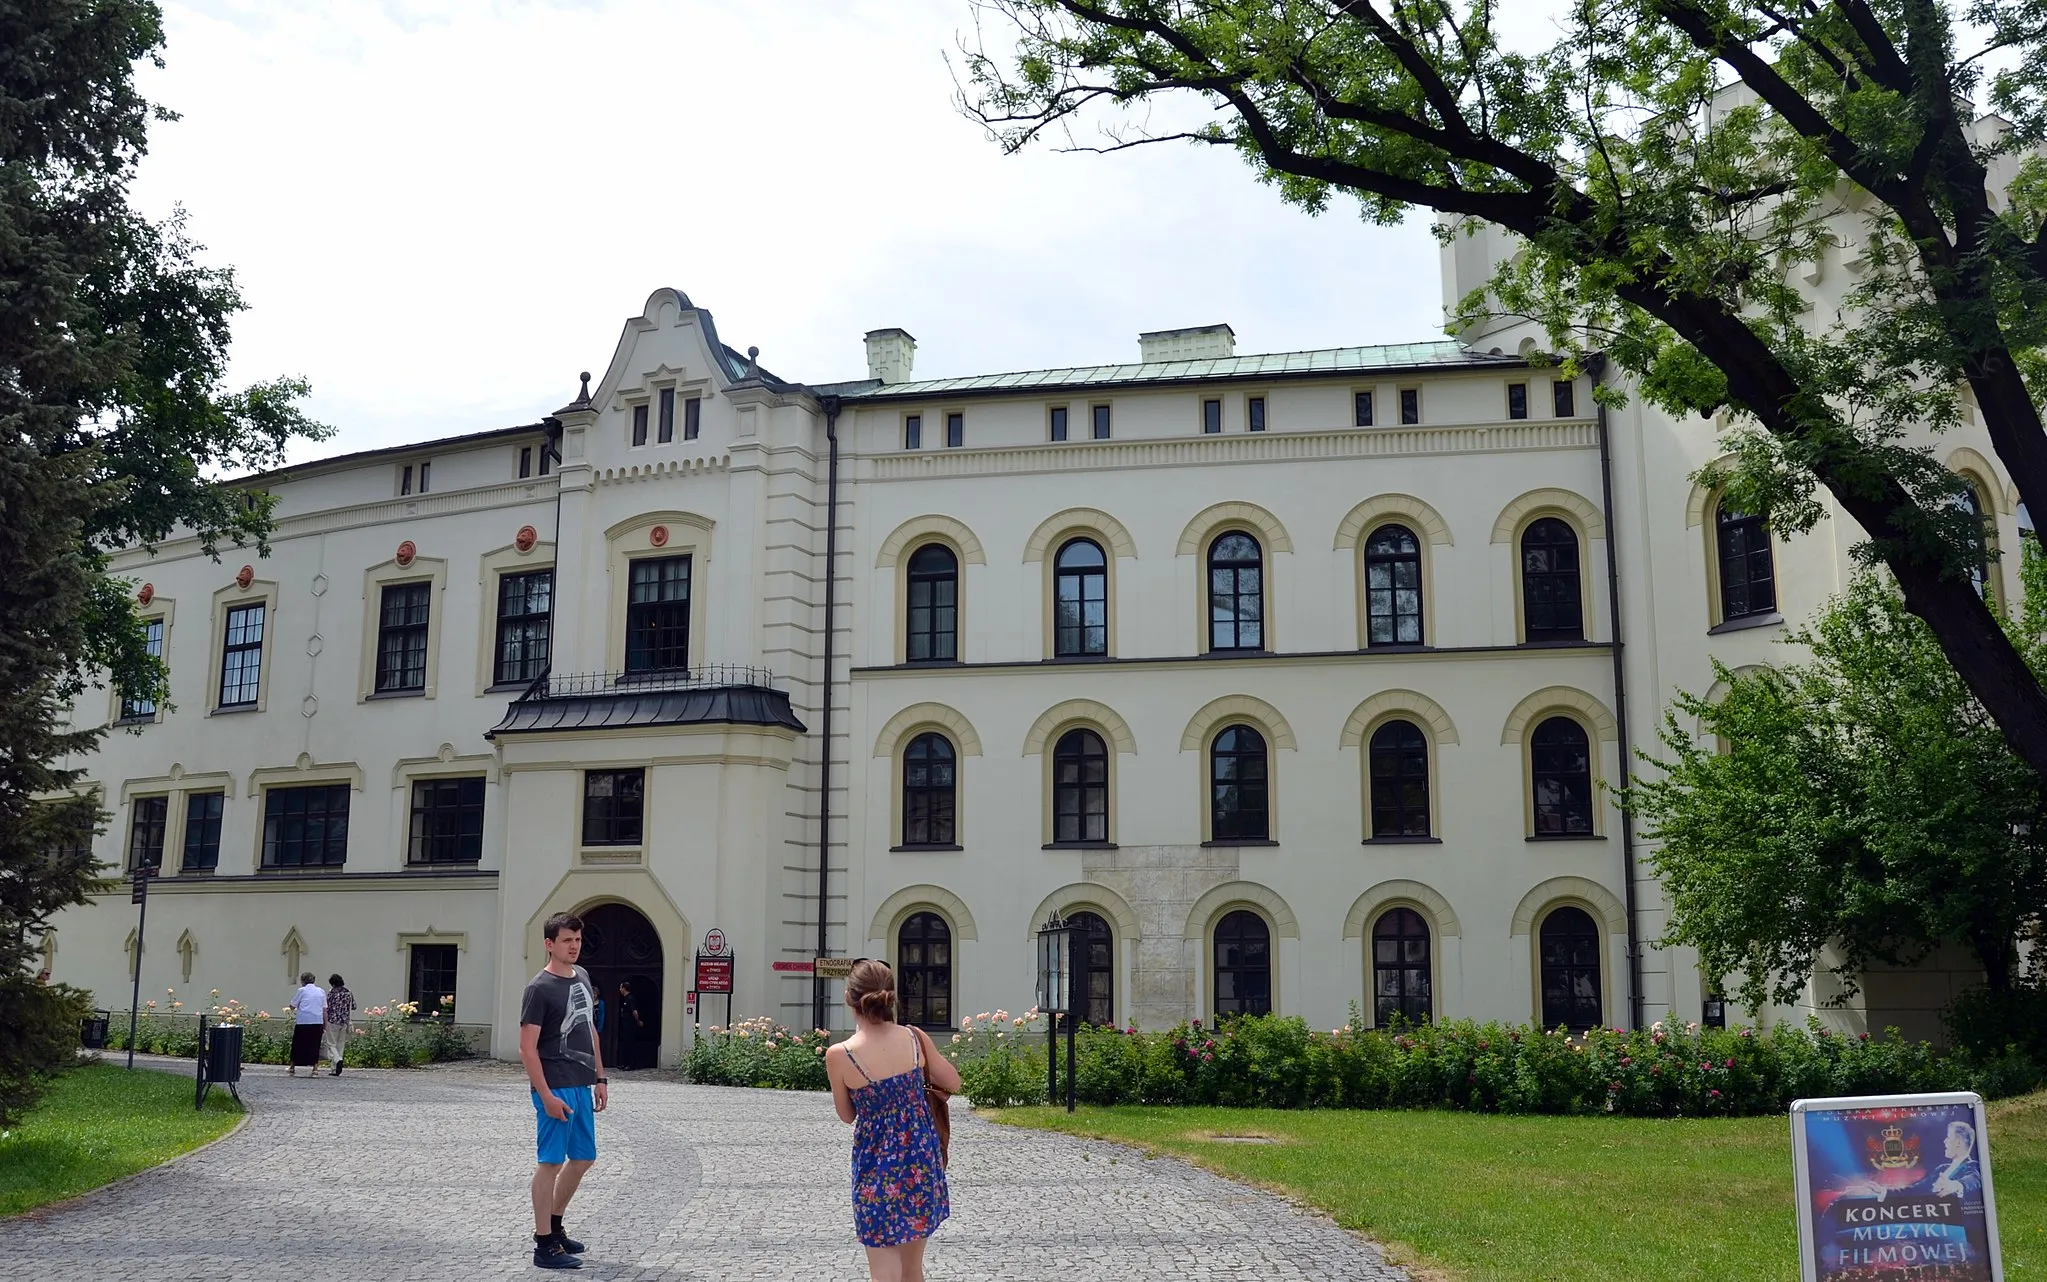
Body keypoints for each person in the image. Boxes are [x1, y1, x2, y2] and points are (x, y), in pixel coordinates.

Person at [824, 959, 959, 1282]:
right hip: (921, 1163)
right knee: (913, 1269)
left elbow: (846, 1115)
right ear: (891, 997)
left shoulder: (840, 1054)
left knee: (884, 1270)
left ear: (850, 998)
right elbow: (952, 1082)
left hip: (876, 1169)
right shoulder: (914, 1038)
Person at [519, 912, 608, 1271]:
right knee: (551, 1163)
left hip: (582, 1083)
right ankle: (543, 1245)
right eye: (567, 940)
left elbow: (590, 1031)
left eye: (578, 940)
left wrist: (600, 1078)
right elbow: (527, 1048)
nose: (574, 946)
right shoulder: (538, 989)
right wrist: (546, 1095)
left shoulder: (583, 977)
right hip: (554, 1086)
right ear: (549, 944)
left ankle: (555, 1227)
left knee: (584, 1158)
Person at [287, 972, 325, 1077]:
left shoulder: (302, 991)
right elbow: (324, 1009)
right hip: (317, 1021)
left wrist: (292, 1006)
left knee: (297, 1044)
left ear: (303, 981)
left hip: (303, 1021)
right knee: (315, 1045)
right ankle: (315, 1068)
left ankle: (292, 1067)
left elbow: (292, 1005)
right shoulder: (321, 991)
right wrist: (325, 1024)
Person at [323, 974, 356, 1076]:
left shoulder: (331, 993)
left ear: (332, 984)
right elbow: (354, 1006)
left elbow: (326, 1007)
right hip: (344, 1022)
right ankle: (335, 1069)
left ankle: (337, 1060)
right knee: (340, 1045)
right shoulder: (348, 992)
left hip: (333, 1021)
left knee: (331, 1044)